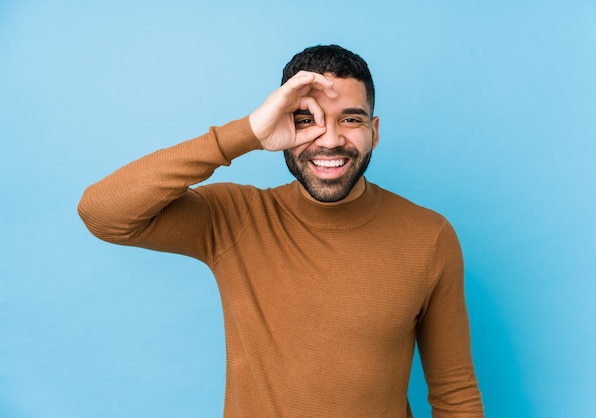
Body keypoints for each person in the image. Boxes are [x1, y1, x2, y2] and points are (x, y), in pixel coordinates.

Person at [78, 44, 484, 417]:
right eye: (307, 121)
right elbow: (103, 213)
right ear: (282, 127)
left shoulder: (429, 236)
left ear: (374, 132)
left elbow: (454, 391)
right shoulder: (235, 218)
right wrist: (246, 134)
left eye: (351, 119)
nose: (330, 139)